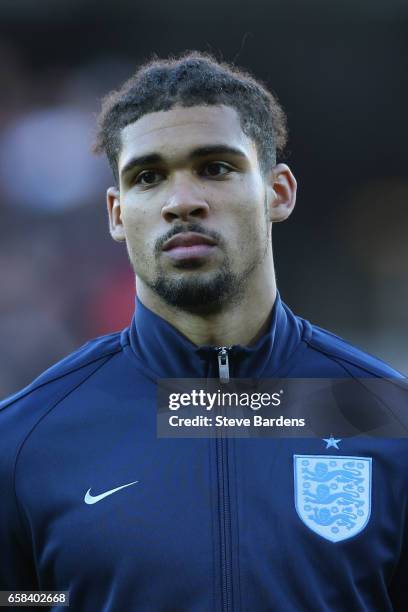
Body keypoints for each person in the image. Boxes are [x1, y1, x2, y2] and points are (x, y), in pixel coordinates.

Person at [0, 50, 407, 612]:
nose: (182, 202)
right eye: (148, 177)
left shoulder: (385, 416)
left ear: (278, 192)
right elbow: (17, 599)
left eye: (215, 168)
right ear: (117, 214)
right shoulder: (24, 440)